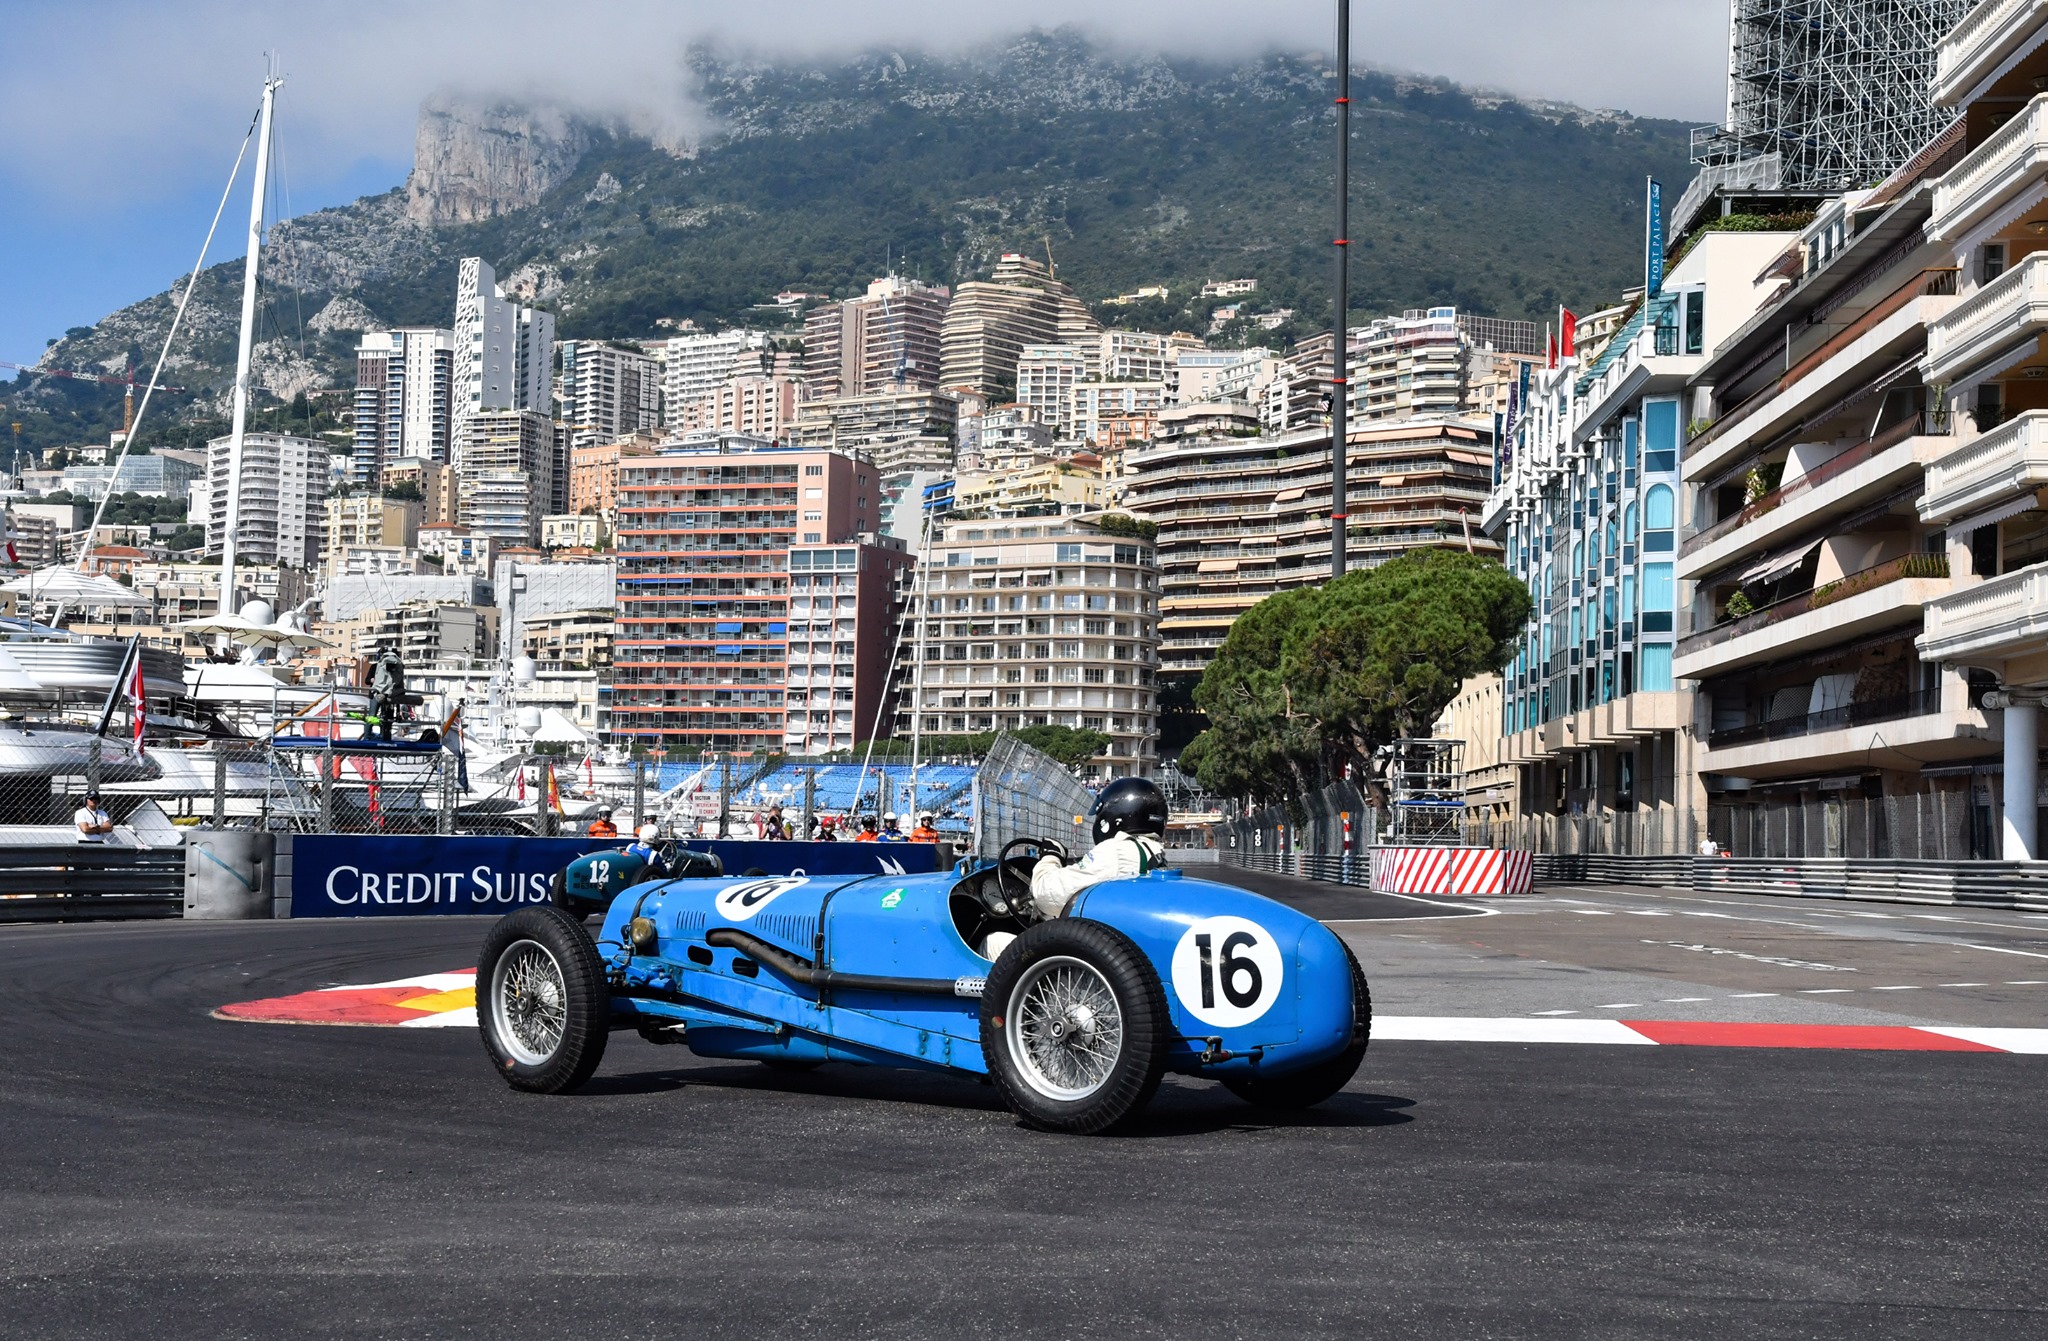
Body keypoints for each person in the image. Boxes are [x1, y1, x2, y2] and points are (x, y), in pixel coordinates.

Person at [1028, 777, 1169, 920]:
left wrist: (1051, 856)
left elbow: (1047, 895)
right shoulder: (1153, 849)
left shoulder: (1116, 852)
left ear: (1116, 819)